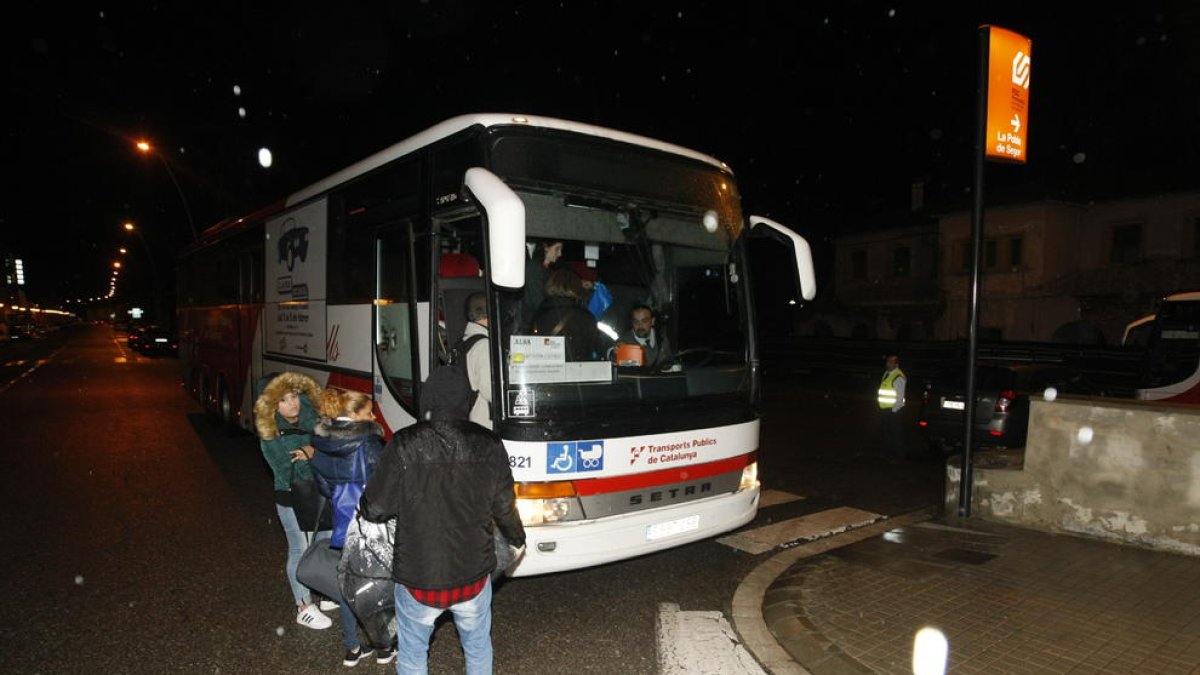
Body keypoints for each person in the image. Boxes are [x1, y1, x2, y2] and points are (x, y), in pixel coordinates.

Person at [359, 367, 527, 675]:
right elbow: (505, 506)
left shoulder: (404, 443)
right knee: (477, 647)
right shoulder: (489, 443)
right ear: (466, 401)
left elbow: (375, 508)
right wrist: (517, 539)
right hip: (473, 573)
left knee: (413, 654)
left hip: (419, 576)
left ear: (428, 399)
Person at [311, 388, 394, 666]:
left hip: (342, 521)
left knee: (350, 584)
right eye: (369, 412)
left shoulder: (323, 442)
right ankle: (384, 647)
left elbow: (323, 486)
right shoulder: (368, 443)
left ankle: (352, 647)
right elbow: (384, 485)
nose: (373, 417)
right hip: (373, 524)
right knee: (380, 585)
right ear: (355, 414)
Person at [253, 371, 334, 631]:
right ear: (272, 404)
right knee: (299, 548)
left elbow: (333, 448)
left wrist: (311, 451)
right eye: (284, 400)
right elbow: (285, 467)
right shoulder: (270, 432)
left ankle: (326, 591)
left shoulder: (314, 420)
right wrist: (315, 453)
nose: (292, 403)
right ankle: (303, 606)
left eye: (294, 396)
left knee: (325, 542)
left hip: (320, 491)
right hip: (289, 497)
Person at [530, 267, 610, 361]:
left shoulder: (539, 314)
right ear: (576, 287)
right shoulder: (585, 317)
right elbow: (598, 349)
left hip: (547, 367)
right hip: (578, 368)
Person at [463, 292, 493, 429]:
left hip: (470, 419)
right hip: (485, 423)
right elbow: (490, 391)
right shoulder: (484, 346)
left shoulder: (464, 342)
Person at [521, 238, 563, 328]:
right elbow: (537, 302)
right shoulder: (534, 268)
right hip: (530, 323)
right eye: (557, 249)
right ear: (546, 247)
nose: (560, 254)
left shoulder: (545, 270)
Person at [618, 304, 673, 369]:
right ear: (632, 323)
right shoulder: (625, 341)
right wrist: (615, 354)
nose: (640, 326)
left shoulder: (661, 337)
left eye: (644, 321)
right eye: (636, 322)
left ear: (652, 321)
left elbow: (670, 360)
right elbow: (615, 358)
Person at [878, 354, 907, 462]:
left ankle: (898, 456)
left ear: (896, 364)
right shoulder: (886, 373)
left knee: (895, 434)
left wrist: (893, 411)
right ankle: (888, 454)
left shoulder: (898, 377)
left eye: (891, 362)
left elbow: (900, 397)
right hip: (885, 409)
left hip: (894, 411)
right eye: (887, 361)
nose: (888, 364)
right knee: (886, 433)